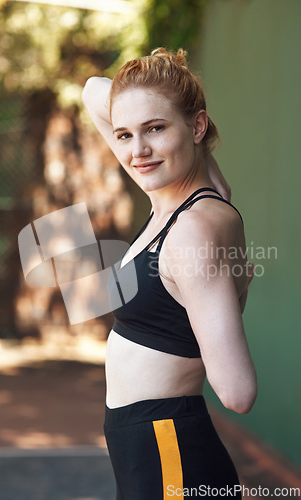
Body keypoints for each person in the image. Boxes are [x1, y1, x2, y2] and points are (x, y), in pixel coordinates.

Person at [82, 48, 257, 500]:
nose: (136, 151)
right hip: (147, 451)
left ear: (196, 127)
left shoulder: (192, 228)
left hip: (171, 455)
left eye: (155, 129)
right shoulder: (166, 198)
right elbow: (91, 91)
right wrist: (207, 160)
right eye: (123, 134)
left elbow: (237, 392)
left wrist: (227, 295)